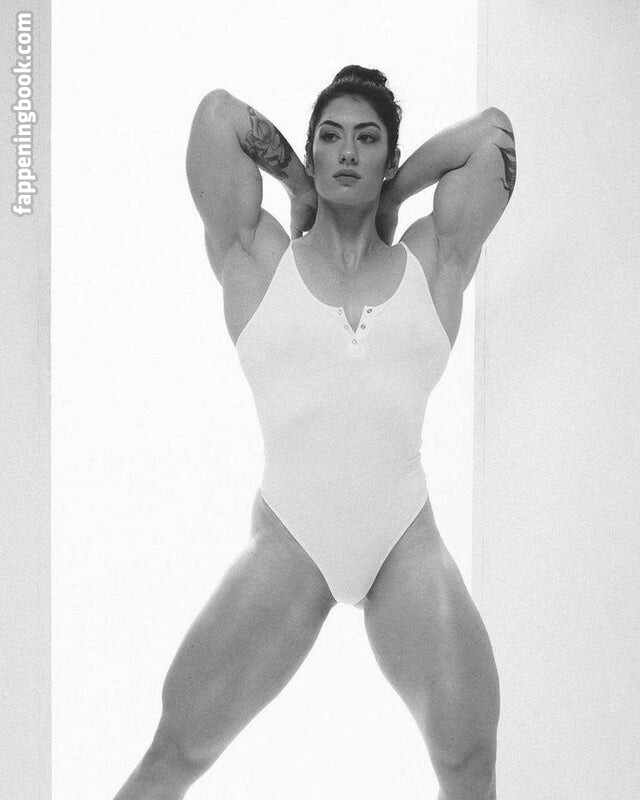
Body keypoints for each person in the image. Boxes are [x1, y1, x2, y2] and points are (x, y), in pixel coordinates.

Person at [114, 65, 516, 800]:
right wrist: (297, 186)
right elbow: (218, 117)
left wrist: (393, 197)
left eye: (367, 139)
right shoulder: (259, 259)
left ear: (389, 157)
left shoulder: (432, 264)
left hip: (404, 542)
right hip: (292, 542)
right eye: (330, 137)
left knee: (470, 765)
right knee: (176, 752)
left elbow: (493, 135)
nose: (347, 151)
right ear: (311, 152)